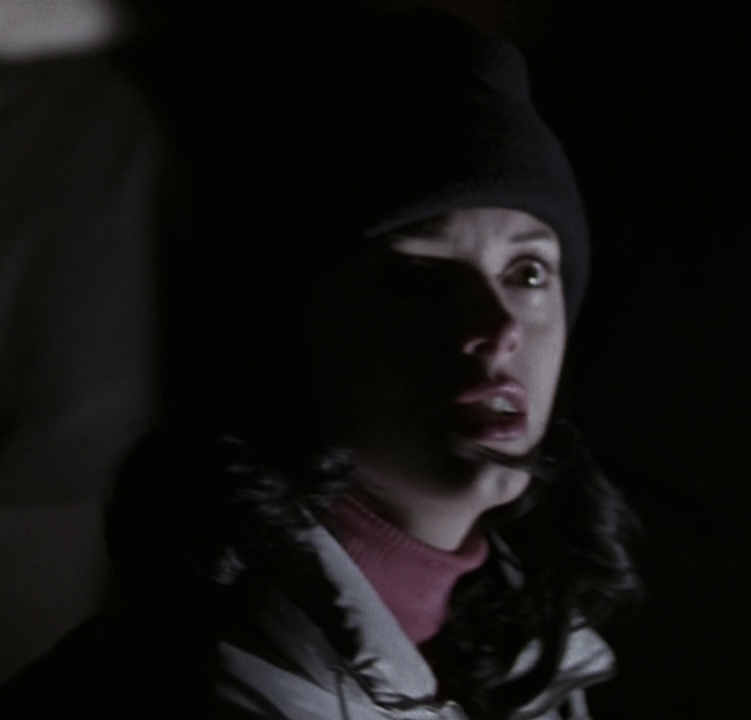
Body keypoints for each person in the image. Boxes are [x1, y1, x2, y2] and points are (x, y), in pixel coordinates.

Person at [0, 7, 641, 720]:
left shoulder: (536, 666)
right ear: (293, 333)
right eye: (419, 279)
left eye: (528, 273)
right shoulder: (163, 687)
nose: (498, 329)